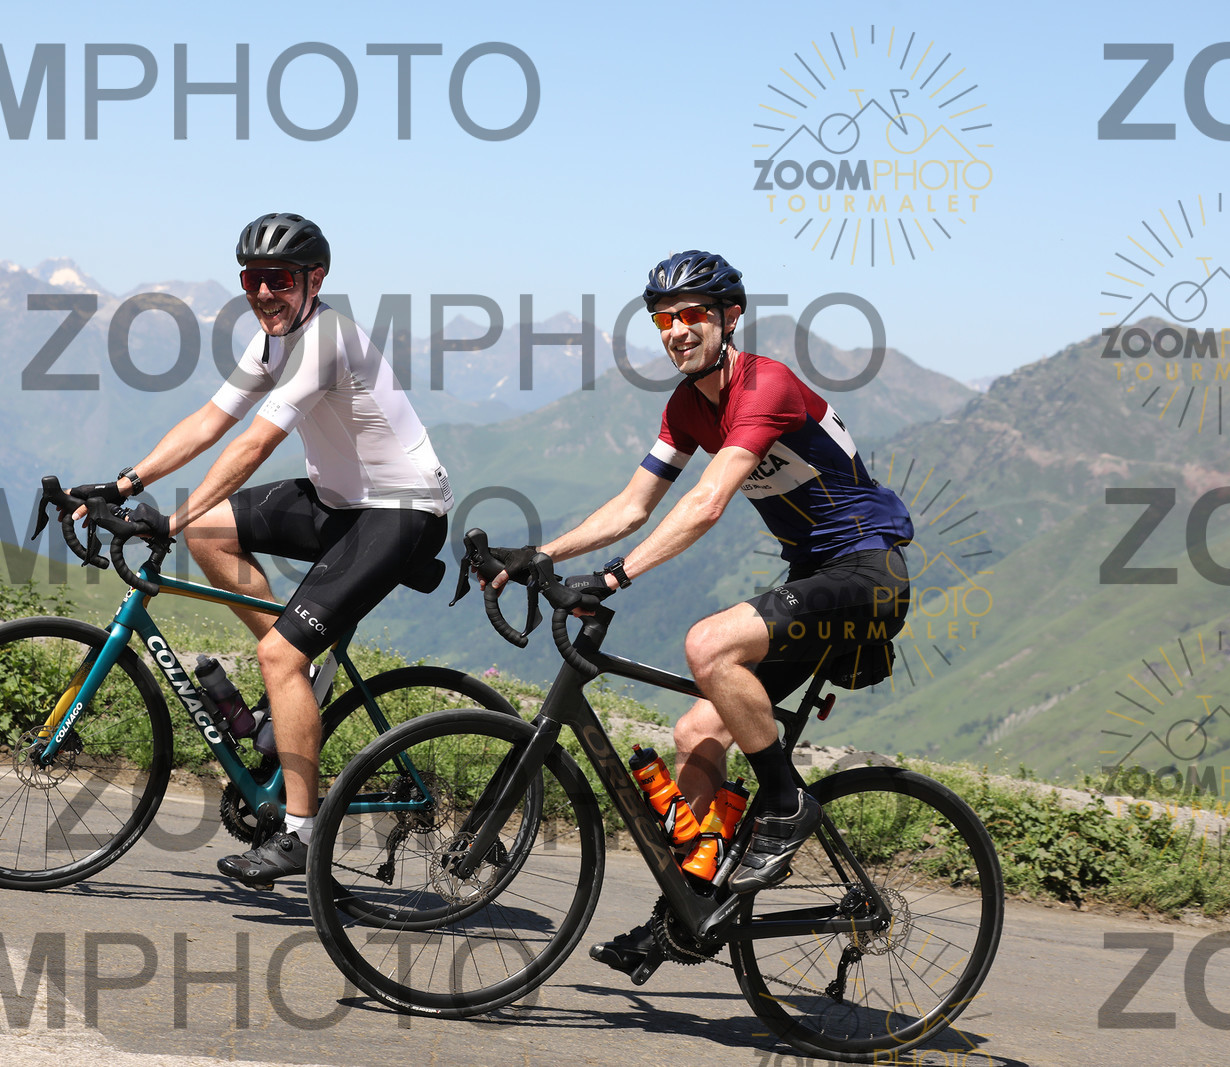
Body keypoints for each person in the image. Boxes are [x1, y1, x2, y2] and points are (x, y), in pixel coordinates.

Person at [489, 250, 911, 976]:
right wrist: (541, 554)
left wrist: (615, 576)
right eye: (664, 320)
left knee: (709, 644)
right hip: (814, 578)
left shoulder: (766, 385)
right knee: (696, 734)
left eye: (692, 315)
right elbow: (634, 505)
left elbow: (708, 502)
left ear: (729, 317)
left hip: (868, 573)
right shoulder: (688, 406)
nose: (677, 331)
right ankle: (686, 913)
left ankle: (786, 803)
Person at [72, 213, 453, 886]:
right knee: (210, 532)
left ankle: (301, 832)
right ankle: (292, 693)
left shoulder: (326, 341)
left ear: (315, 280)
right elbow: (211, 421)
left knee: (278, 651)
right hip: (340, 501)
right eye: (251, 280)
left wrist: (170, 518)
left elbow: (253, 444)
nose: (263, 293)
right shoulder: (273, 341)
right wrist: (127, 482)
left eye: (278, 279)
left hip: (402, 511)